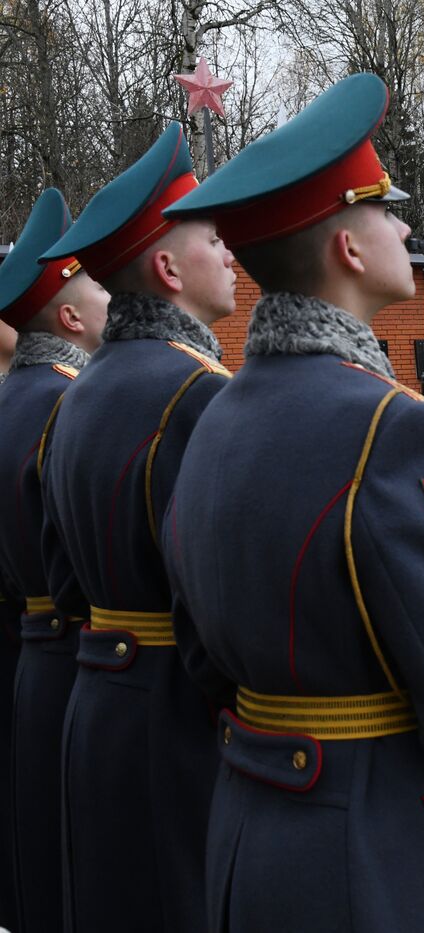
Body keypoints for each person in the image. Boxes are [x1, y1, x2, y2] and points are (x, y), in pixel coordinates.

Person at [160, 74, 424, 931]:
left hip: (247, 837)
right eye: (385, 211)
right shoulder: (399, 430)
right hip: (380, 858)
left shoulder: (211, 415)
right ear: (347, 247)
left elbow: (199, 653)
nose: (406, 231)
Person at [37, 124, 235, 933]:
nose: (230, 254)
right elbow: (219, 601)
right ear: (166, 268)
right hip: (180, 718)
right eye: (213, 238)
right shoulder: (201, 393)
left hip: (96, 702)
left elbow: (63, 581)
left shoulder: (72, 395)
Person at [0, 188, 107, 933]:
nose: (110, 295)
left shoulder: (14, 400)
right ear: (68, 317)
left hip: (29, 656)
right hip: (78, 657)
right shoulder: (70, 405)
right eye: (95, 286)